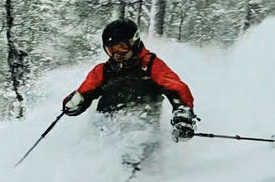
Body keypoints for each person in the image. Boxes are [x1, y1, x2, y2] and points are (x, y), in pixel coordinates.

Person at [62, 19, 197, 149]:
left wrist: (182, 115)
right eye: (111, 50)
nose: (116, 54)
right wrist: (73, 104)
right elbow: (84, 93)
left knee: (134, 152)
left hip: (141, 133)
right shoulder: (104, 70)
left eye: (121, 48)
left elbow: (177, 89)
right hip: (105, 132)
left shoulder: (150, 65)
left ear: (134, 42)